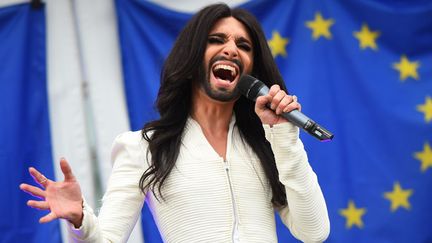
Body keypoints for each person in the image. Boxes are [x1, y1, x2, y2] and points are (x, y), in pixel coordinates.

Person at [20, 3, 330, 242]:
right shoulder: (143, 147)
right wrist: (80, 220)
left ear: (251, 70)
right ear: (194, 59)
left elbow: (314, 232)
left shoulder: (268, 144)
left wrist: (285, 136)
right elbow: (108, 238)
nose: (231, 49)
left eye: (244, 46)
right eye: (216, 40)